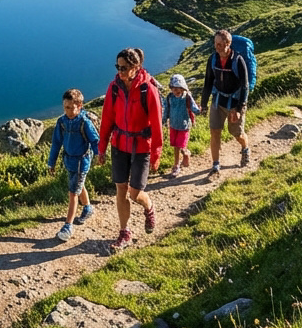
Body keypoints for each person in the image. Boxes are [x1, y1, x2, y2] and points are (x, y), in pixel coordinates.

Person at [97, 47, 163, 252]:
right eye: (118, 67)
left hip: (142, 146)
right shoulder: (114, 88)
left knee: (135, 193)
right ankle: (124, 232)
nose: (120, 71)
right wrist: (102, 147)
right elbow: (107, 118)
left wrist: (156, 154)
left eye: (124, 67)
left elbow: (157, 124)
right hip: (119, 145)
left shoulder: (148, 89)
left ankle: (149, 207)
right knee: (121, 189)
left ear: (136, 67)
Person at [46, 88, 100, 241]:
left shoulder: (84, 123)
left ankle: (68, 226)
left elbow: (95, 141)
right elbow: (56, 143)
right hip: (68, 161)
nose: (68, 111)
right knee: (78, 185)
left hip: (81, 162)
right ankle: (88, 208)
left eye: (71, 107)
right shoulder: (62, 122)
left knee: (73, 193)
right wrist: (52, 162)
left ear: (80, 106)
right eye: (65, 107)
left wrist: (99, 155)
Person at [200, 29, 251, 175]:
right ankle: (216, 165)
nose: (217, 47)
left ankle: (245, 147)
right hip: (218, 100)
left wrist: (240, 109)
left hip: (235, 103)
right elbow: (208, 82)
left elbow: (244, 86)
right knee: (215, 132)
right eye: (215, 43)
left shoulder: (238, 61)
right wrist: (203, 104)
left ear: (228, 44)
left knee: (236, 133)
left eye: (220, 44)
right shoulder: (213, 59)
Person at [163, 73, 200, 177]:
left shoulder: (187, 97)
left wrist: (198, 111)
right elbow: (166, 109)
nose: (176, 91)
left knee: (181, 145)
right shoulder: (170, 97)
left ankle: (186, 153)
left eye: (178, 89)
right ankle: (176, 165)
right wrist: (164, 120)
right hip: (173, 125)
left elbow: (193, 107)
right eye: (174, 89)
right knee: (175, 146)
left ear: (183, 88)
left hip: (184, 126)